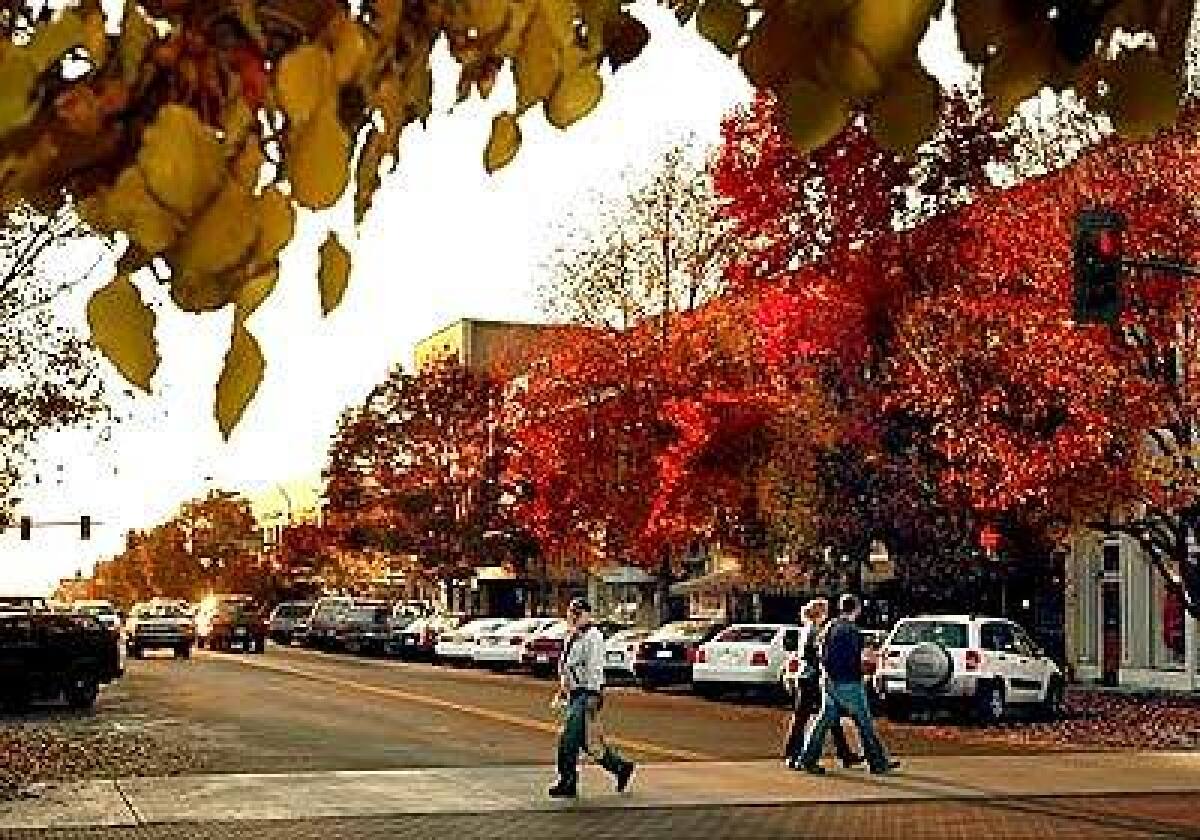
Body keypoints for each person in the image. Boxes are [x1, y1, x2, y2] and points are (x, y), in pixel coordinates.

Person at [796, 593, 900, 776]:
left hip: (828, 680)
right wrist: (865, 670)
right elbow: (855, 659)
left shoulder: (830, 627)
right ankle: (877, 762)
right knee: (864, 722)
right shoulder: (852, 631)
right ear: (857, 609)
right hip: (848, 682)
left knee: (823, 721)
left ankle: (807, 758)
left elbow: (821, 653)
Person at [548, 597, 636, 798]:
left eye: (577, 612)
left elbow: (595, 668)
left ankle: (567, 781)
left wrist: (593, 694)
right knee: (589, 743)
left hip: (586, 694)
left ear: (587, 615)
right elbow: (567, 665)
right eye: (571, 612)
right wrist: (563, 688)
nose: (573, 616)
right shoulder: (572, 636)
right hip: (574, 693)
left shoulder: (593, 637)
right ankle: (621, 768)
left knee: (568, 740)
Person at [782, 598, 863, 770]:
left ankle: (844, 753)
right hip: (810, 679)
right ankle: (794, 754)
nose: (827, 614)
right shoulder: (812, 630)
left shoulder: (811, 629)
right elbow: (808, 655)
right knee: (810, 716)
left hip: (810, 678)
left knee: (828, 715)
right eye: (825, 610)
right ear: (820, 613)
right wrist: (822, 662)